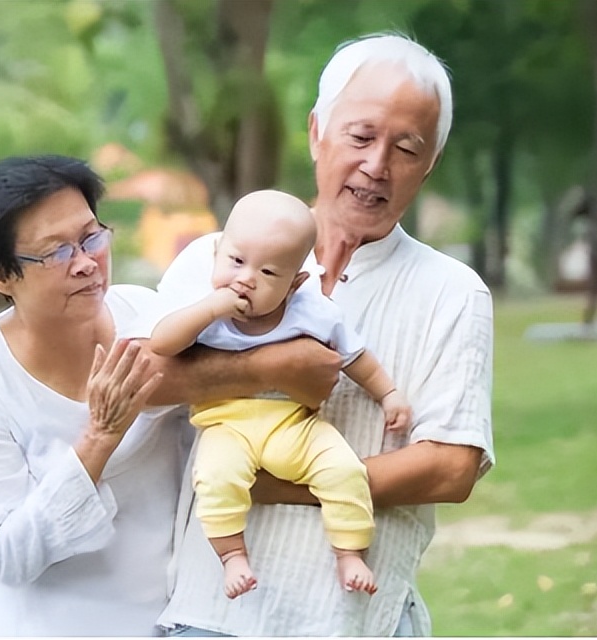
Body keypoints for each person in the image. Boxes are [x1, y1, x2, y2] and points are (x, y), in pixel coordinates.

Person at [156, 32, 495, 637]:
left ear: (431, 163)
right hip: (209, 617)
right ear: (317, 131)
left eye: (407, 148)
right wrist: (267, 369)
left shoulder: (452, 291)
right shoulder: (214, 259)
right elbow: (142, 379)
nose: (377, 166)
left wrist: (284, 484)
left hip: (355, 621)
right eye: (360, 137)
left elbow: (452, 467)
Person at [0, 155, 341, 636]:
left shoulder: (150, 318)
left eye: (91, 237)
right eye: (56, 252)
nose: (85, 264)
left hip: (162, 623)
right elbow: (3, 556)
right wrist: (99, 438)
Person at [150, 189, 412, 600]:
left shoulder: (311, 310)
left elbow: (355, 356)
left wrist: (389, 394)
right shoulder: (205, 308)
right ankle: (232, 554)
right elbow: (162, 343)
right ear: (218, 253)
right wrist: (211, 309)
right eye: (236, 261)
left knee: (344, 470)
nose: (245, 278)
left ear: (296, 283)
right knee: (216, 477)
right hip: (225, 424)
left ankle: (349, 552)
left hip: (295, 425)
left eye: (269, 273)